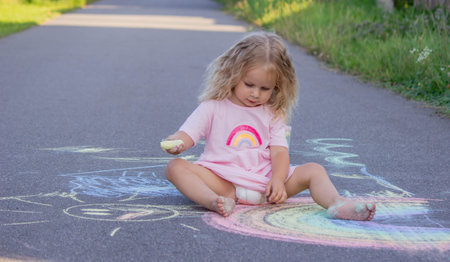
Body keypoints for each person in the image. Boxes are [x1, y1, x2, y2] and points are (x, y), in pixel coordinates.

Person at [162, 32, 376, 220]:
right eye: (249, 85)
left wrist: (278, 180)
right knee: (176, 168)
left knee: (314, 170)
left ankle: (336, 204)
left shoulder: (273, 113)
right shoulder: (213, 107)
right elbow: (188, 133)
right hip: (224, 183)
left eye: (265, 88)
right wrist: (177, 142)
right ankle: (212, 201)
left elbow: (279, 153)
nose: (255, 93)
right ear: (233, 74)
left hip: (267, 184)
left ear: (277, 86)